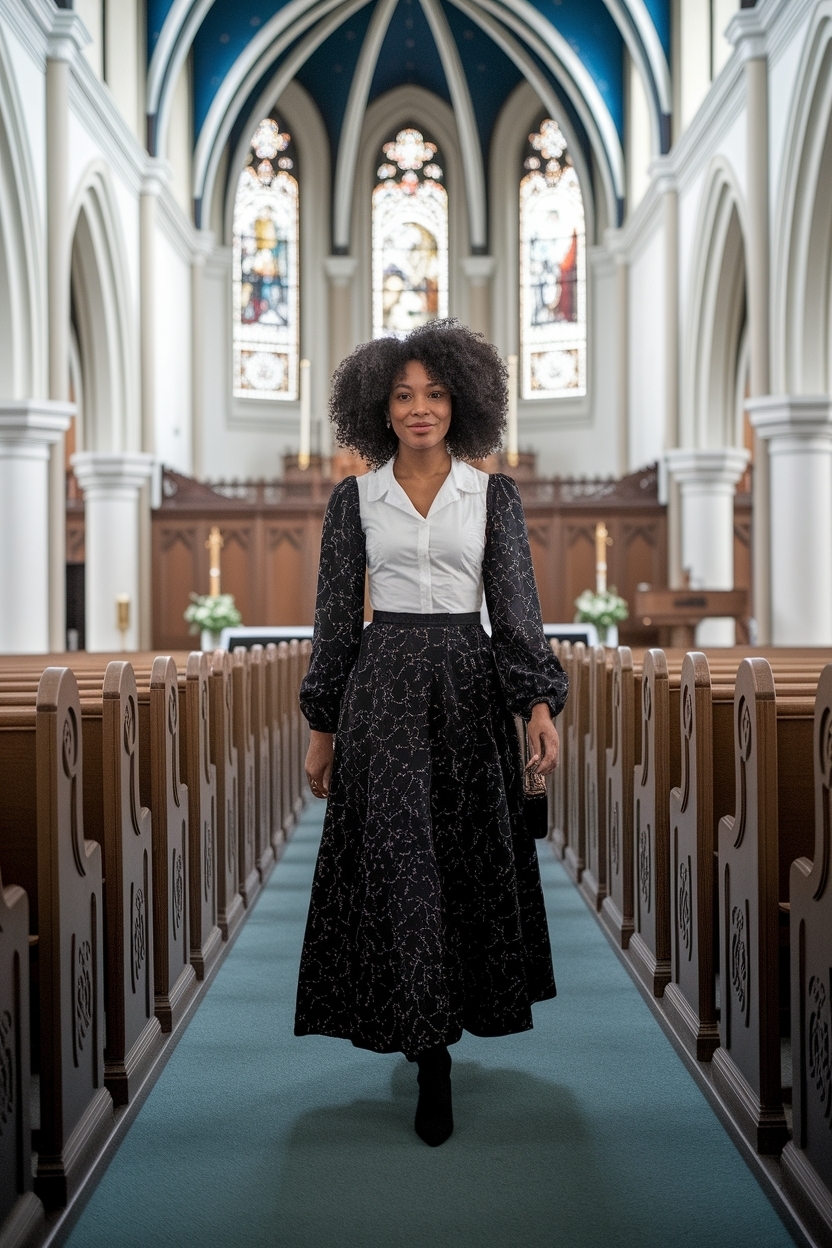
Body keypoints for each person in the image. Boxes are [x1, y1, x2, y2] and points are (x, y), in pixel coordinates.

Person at [296, 319, 568, 1148]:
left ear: (463, 401)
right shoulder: (355, 499)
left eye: (436, 393)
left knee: (458, 860)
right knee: (400, 862)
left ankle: (448, 1018)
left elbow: (518, 614)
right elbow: (336, 622)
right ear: (380, 408)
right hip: (381, 693)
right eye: (405, 395)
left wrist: (538, 707)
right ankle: (428, 1051)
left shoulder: (493, 496)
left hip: (466, 688)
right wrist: (321, 728)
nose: (421, 409)